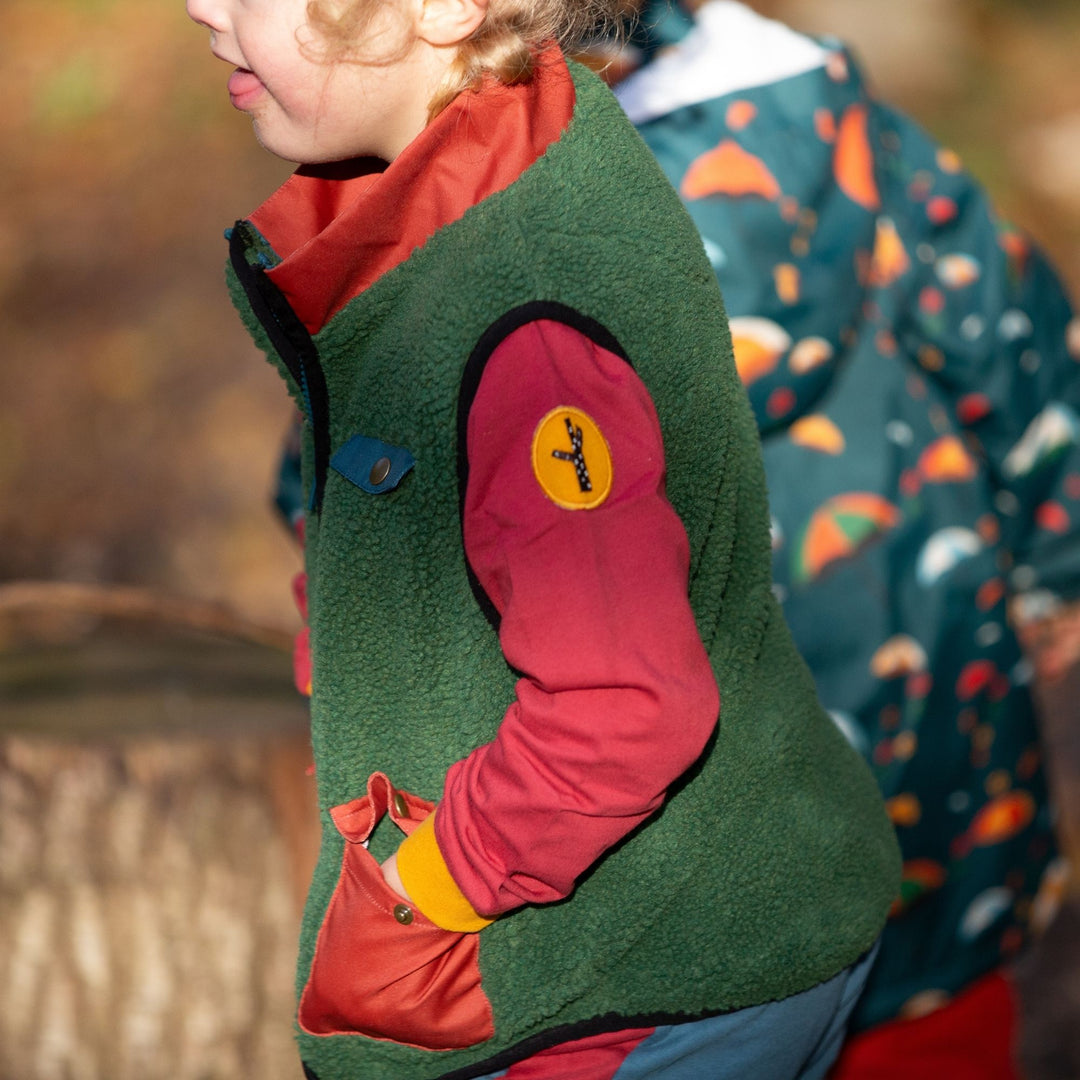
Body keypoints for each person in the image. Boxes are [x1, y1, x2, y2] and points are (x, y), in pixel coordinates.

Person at [185, 0, 900, 1078]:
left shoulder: (522, 322)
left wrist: (428, 887)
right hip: (690, 922)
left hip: (647, 983)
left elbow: (626, 706)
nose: (201, 4)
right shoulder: (500, 150)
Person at [609, 2, 1080, 1076]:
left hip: (706, 684)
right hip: (919, 629)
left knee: (733, 983)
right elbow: (1015, 344)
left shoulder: (533, 206)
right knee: (935, 961)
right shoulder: (854, 134)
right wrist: (1055, 569)